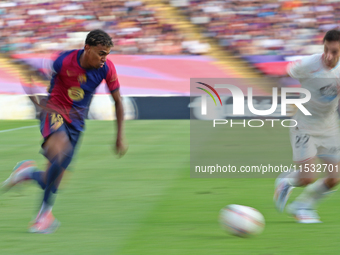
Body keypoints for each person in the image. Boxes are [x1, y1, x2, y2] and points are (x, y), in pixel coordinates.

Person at [1, 29, 126, 233]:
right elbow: (33, 75)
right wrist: (35, 100)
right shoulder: (63, 60)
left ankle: (28, 173)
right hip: (54, 112)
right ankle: (43, 217)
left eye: (107, 54)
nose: (104, 58)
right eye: (101, 53)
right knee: (60, 151)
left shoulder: (107, 69)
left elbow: (118, 102)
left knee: (53, 179)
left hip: (76, 123)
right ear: (87, 48)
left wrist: (119, 136)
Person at [274, 29, 340, 223]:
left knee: (334, 178)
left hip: (329, 127)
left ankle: (302, 206)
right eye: (326, 49)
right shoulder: (309, 64)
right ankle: (287, 181)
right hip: (304, 125)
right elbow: (285, 75)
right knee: (307, 178)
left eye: (334, 52)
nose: (328, 56)